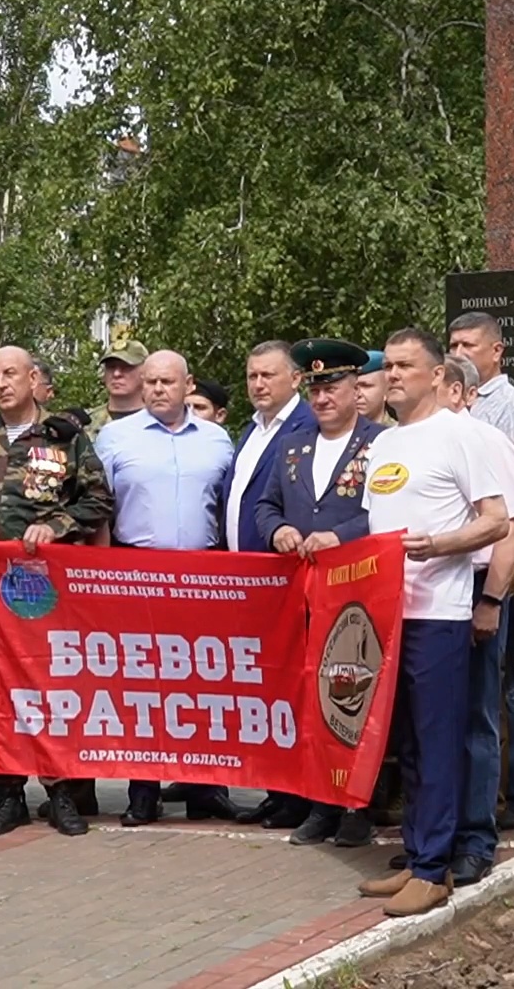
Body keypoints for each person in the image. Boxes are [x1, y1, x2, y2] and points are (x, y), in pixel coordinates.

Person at [355, 328, 509, 919]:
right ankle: (417, 853)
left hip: (438, 613)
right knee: (410, 745)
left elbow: (496, 521)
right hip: (388, 616)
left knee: (439, 739)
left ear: (438, 374)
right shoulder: (385, 443)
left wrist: (438, 545)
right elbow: (374, 528)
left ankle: (433, 870)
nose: (393, 375)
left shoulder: (459, 434)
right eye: (389, 366)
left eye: (405, 366)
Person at [0, 345, 115, 838]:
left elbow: (99, 500)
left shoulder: (65, 438)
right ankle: (8, 794)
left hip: (46, 592)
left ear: (33, 378)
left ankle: (60, 793)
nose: (1, 383)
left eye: (11, 374)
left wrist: (55, 526)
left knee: (49, 688)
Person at [96, 350, 244, 826]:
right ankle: (143, 791)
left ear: (188, 384)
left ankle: (207, 790)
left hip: (203, 572)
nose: (158, 390)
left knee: (204, 681)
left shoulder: (217, 440)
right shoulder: (116, 437)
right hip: (137, 569)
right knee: (142, 684)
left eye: (167, 382)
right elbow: (98, 506)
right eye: (151, 382)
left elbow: (227, 504)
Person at [254, 338, 386, 848]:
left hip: (357, 592)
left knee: (354, 697)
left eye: (332, 387)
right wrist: (278, 530)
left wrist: (342, 536)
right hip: (303, 594)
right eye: (315, 389)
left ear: (356, 388)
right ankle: (320, 804)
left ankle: (358, 805)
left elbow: (387, 511)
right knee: (311, 698)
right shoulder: (293, 444)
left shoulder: (381, 443)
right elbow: (266, 505)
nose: (323, 398)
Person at [446, 312, 514, 835]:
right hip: (449, 581)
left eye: (469, 344)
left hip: (493, 575)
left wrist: (501, 589)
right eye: (453, 343)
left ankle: (506, 798)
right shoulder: (437, 424)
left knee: (498, 693)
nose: (458, 351)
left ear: (497, 350)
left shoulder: (510, 412)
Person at [439, 354, 514, 887]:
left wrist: (492, 599)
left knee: (477, 716)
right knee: (434, 720)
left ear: (459, 392)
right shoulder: (414, 442)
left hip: (475, 586)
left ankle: (476, 837)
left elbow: (511, 529)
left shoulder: (488, 441)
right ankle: (436, 836)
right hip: (425, 591)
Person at [223, 340, 317, 827]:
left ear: (295, 379)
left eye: (268, 375)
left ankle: (300, 794)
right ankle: (279, 790)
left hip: (286, 579)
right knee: (266, 690)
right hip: (247, 583)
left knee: (293, 687)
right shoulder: (252, 429)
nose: (258, 385)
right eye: (252, 376)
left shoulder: (306, 426)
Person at [85, 337, 148, 436]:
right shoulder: (87, 422)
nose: (116, 374)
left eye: (126, 367)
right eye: (111, 367)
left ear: (145, 372)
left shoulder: (161, 421)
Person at [354, 350, 394, 427]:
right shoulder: (334, 432)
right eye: (354, 387)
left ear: (386, 391)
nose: (357, 394)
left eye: (366, 386)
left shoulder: (400, 433)